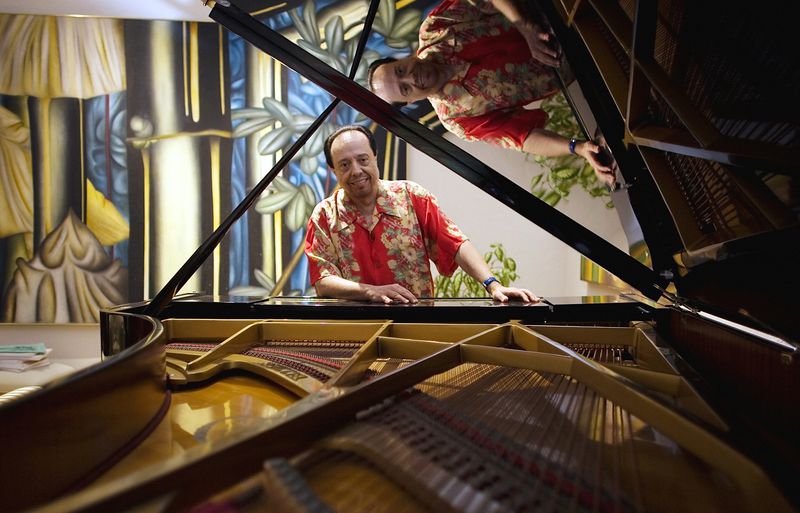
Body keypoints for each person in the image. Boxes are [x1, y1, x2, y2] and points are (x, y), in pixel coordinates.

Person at [368, 0, 615, 187]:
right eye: (405, 88)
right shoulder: (458, 120)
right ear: (411, 101)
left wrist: (524, 26)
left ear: (403, 59)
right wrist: (579, 148)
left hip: (561, 7)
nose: (411, 77)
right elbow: (523, 138)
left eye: (401, 70)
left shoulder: (435, 28)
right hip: (588, 63)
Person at [304, 125, 538, 304]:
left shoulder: (411, 195)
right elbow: (323, 280)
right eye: (344, 164)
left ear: (375, 157)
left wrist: (493, 285)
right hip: (354, 330)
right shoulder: (324, 215)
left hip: (418, 323)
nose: (356, 171)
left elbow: (455, 242)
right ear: (333, 170)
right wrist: (370, 291)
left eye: (362, 160)